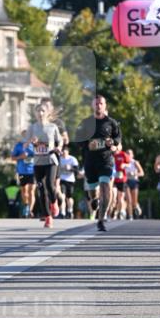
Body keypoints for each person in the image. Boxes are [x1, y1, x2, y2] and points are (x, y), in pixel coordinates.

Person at [74, 95, 122, 232]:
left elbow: (117, 139)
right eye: (96, 104)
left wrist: (112, 143)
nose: (98, 106)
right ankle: (94, 199)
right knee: (93, 191)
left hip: (106, 160)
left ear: (105, 105)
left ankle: (101, 219)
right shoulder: (86, 123)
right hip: (90, 161)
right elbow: (77, 141)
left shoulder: (112, 123)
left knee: (106, 186)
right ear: (92, 106)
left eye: (101, 103)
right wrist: (89, 144)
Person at [24, 101, 63, 228]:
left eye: (43, 111)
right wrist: (31, 141)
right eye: (38, 111)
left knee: (50, 185)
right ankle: (47, 217)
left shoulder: (52, 127)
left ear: (47, 113)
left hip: (51, 160)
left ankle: (54, 202)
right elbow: (24, 146)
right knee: (40, 189)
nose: (40, 113)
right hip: (38, 162)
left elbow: (60, 141)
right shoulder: (32, 128)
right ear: (35, 113)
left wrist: (59, 148)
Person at [11, 138, 35, 217]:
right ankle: (26, 204)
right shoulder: (18, 146)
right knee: (24, 191)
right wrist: (21, 157)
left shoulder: (34, 145)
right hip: (22, 171)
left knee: (31, 191)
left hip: (33, 171)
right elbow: (12, 158)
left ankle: (30, 210)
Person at [58, 145, 79, 219]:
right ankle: (62, 212)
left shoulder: (72, 159)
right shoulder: (59, 159)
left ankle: (70, 211)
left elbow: (77, 170)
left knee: (69, 197)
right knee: (62, 196)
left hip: (70, 180)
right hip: (61, 179)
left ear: (68, 152)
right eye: (62, 151)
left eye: (64, 151)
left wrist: (70, 168)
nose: (63, 153)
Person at [124, 149, 144, 219]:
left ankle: (136, 206)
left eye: (130, 153)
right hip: (126, 182)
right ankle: (130, 216)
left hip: (134, 182)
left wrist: (134, 173)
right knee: (128, 200)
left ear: (132, 155)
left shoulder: (135, 162)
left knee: (134, 202)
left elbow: (142, 173)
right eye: (127, 153)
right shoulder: (123, 163)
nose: (128, 155)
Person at [112, 146, 130, 219]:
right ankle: (115, 211)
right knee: (113, 196)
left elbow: (129, 163)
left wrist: (125, 165)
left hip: (122, 178)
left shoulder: (123, 154)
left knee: (120, 197)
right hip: (113, 179)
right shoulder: (111, 155)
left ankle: (121, 211)